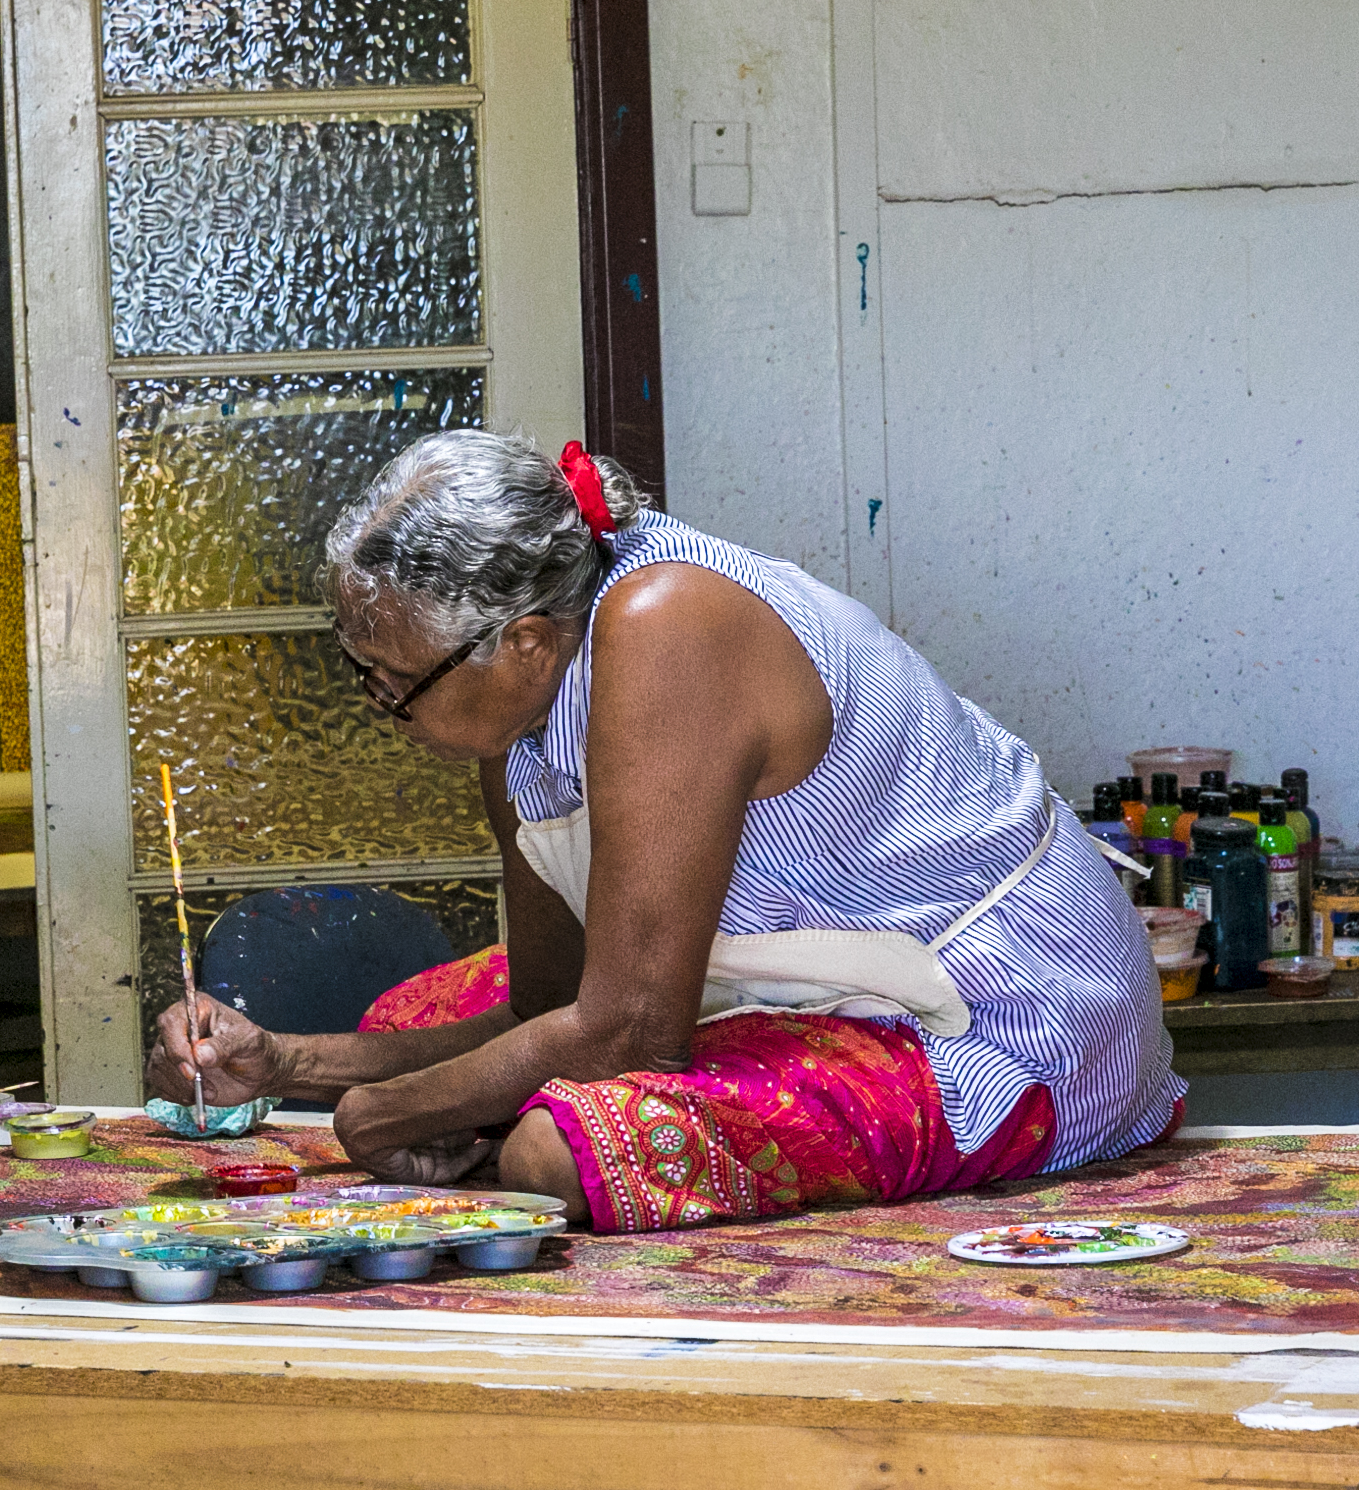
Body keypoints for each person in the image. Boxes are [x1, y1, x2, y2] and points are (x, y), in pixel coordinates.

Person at [146, 429, 1180, 1233]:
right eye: (359, 668)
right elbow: (549, 1005)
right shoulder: (525, 721)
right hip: (767, 993)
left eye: (393, 676)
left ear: (525, 640)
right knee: (414, 1012)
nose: (376, 701)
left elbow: (631, 1030)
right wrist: (282, 1062)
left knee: (557, 1148)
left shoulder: (664, 628)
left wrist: (387, 1111)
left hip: (998, 1018)